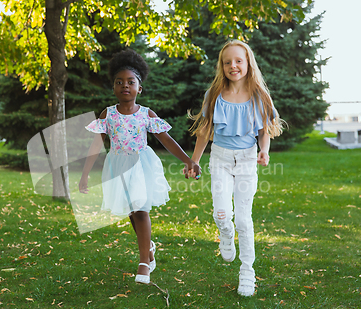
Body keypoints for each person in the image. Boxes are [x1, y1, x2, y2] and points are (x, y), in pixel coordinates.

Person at [79, 49, 201, 285]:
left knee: (141, 209)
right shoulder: (108, 114)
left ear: (139, 88)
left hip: (140, 165)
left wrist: (188, 160)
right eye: (119, 82)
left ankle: (144, 263)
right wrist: (85, 175)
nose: (125, 85)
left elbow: (166, 139)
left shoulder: (146, 114)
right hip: (118, 167)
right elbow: (96, 145)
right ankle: (150, 248)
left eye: (130, 82)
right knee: (132, 212)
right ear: (114, 88)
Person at [186, 40, 284, 296]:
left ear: (248, 63)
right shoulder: (215, 94)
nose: (233, 66)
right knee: (221, 214)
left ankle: (247, 272)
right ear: (222, 66)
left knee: (243, 218)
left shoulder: (260, 95)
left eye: (239, 61)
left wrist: (265, 151)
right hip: (220, 158)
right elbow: (205, 131)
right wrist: (194, 161)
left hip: (248, 159)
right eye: (228, 62)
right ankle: (226, 235)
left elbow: (264, 131)